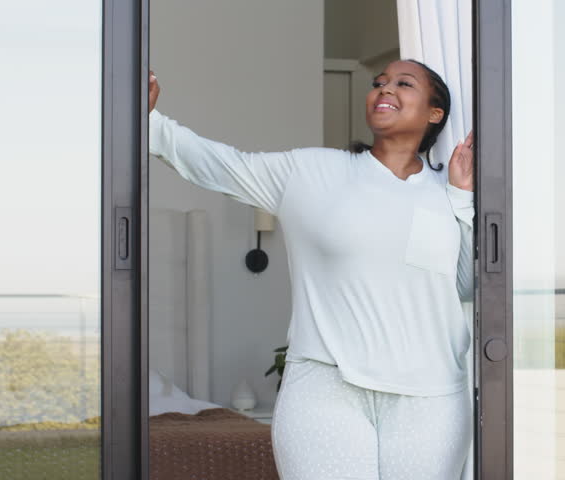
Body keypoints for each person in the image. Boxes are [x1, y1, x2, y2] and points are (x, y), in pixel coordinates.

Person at [148, 59, 475, 480]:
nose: (384, 89)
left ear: (435, 113)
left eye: (403, 83)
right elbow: (219, 163)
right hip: (326, 390)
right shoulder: (311, 172)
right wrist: (150, 120)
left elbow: (462, 287)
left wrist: (461, 198)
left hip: (430, 400)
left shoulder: (444, 192)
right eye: (379, 82)